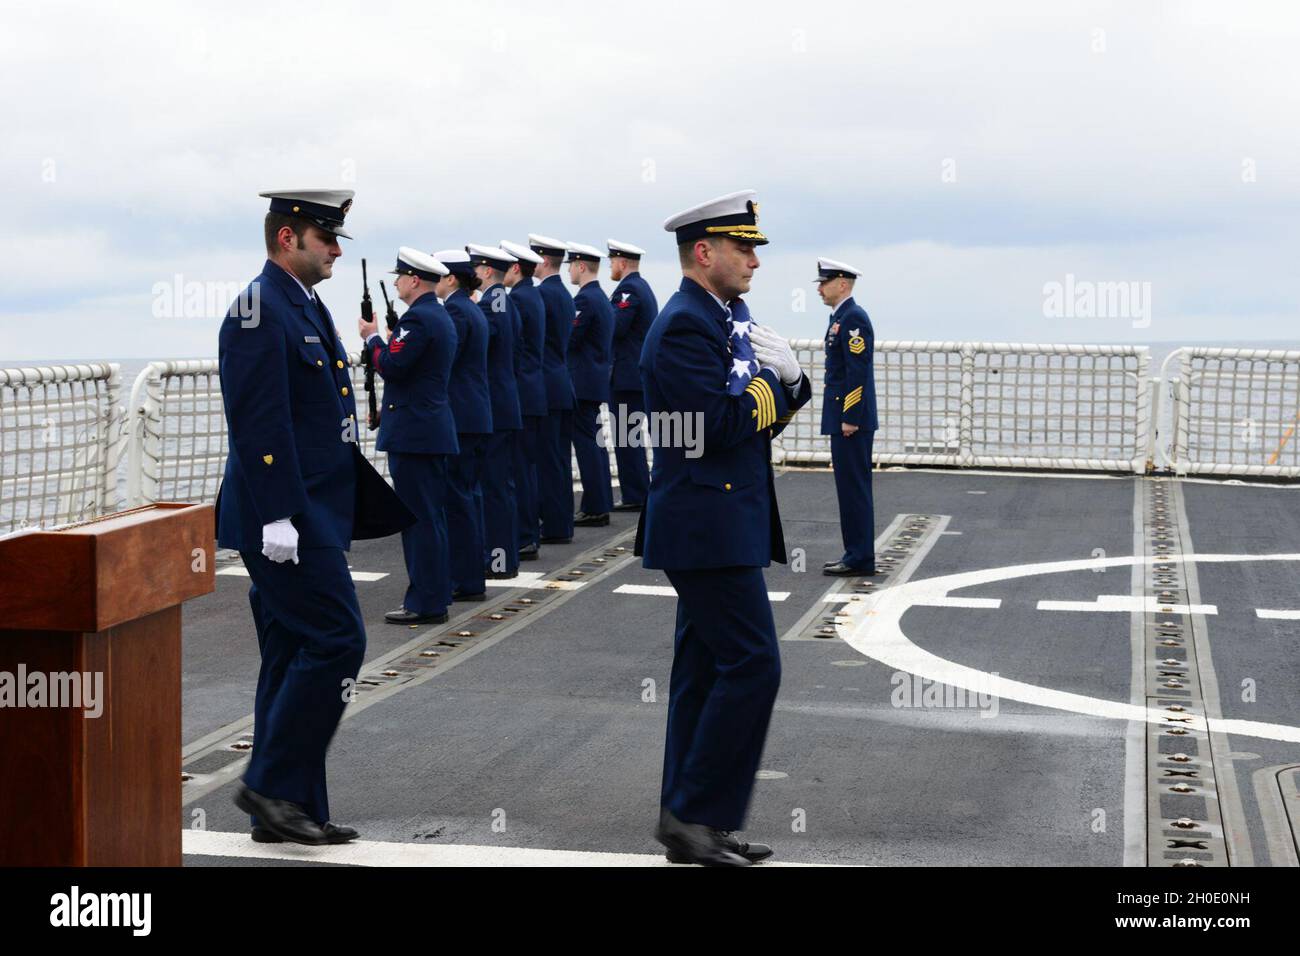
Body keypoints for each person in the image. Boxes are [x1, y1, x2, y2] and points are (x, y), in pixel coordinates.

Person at [216, 187, 413, 845]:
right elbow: (259, 420)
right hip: (288, 521)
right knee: (337, 641)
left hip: (315, 513)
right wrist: (277, 517)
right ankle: (270, 784)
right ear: (287, 238)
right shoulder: (257, 310)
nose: (335, 249)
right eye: (326, 238)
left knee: (292, 653)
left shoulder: (298, 304)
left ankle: (287, 809)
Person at [636, 189, 811, 865]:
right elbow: (713, 428)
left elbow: (752, 415)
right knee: (754, 666)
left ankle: (690, 818)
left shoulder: (726, 317)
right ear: (703, 252)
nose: (754, 263)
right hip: (703, 522)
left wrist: (788, 385)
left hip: (723, 516)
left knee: (706, 671)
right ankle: (696, 815)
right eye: (743, 249)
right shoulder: (683, 324)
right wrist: (782, 382)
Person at [360, 247, 459, 624]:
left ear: (414, 279)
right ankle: (435, 593)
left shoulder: (417, 320)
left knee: (418, 519)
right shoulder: (438, 315)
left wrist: (373, 339)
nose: (397, 282)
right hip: (428, 429)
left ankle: (424, 602)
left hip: (415, 435)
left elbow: (394, 366)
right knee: (431, 517)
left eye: (400, 276)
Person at [815, 258, 880, 576]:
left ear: (842, 283)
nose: (819, 289)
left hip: (850, 419)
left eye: (824, 283)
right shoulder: (841, 317)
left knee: (854, 488)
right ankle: (855, 552)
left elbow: (858, 372)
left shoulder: (853, 318)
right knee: (848, 488)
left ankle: (860, 557)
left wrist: (850, 415)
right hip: (842, 416)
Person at [434, 248, 492, 602]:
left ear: (451, 278)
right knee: (469, 496)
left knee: (456, 500)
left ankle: (465, 578)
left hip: (459, 415)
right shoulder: (472, 307)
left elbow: (444, 359)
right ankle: (472, 573)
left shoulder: (455, 309)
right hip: (476, 413)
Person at [467, 243, 523, 578]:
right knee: (502, 486)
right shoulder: (501, 301)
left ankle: (499, 562)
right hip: (505, 402)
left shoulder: (495, 301)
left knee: (496, 488)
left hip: (497, 406)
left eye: (474, 268)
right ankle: (505, 558)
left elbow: (487, 340)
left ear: (487, 271)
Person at [500, 239, 547, 562]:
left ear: (516, 268)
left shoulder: (518, 299)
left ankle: (526, 536)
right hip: (535, 389)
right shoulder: (533, 294)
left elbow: (511, 348)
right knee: (527, 467)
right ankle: (529, 534)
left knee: (519, 469)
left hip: (523, 391)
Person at [529, 233, 576, 544]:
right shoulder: (564, 295)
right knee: (558, 459)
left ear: (544, 261)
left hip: (545, 384)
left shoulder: (543, 295)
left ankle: (554, 526)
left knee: (545, 460)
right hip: (562, 381)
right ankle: (562, 524)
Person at [565, 241, 615, 526]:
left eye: (571, 265)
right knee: (594, 445)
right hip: (594, 380)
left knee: (586, 445)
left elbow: (570, 339)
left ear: (581, 266)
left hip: (582, 381)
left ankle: (595, 506)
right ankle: (600, 502)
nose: (570, 270)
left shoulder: (585, 300)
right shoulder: (601, 298)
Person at [606, 239, 657, 511]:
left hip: (626, 377)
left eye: (612, 261)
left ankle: (635, 494)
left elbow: (614, 327)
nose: (611, 266)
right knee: (630, 437)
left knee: (627, 438)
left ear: (622, 263)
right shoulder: (642, 287)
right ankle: (636, 491)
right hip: (634, 375)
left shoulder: (628, 290)